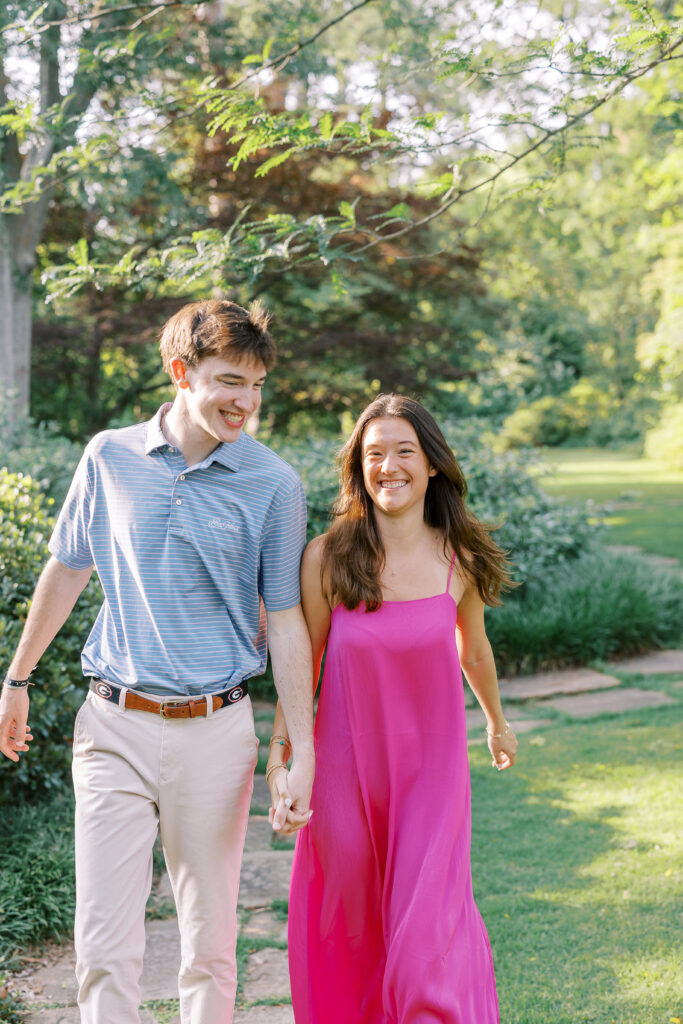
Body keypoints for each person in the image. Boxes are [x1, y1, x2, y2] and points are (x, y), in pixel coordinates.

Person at [0, 299, 315, 1024]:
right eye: (231, 380)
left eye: (258, 384)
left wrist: (298, 745)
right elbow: (66, 568)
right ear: (181, 371)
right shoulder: (108, 456)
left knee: (207, 946)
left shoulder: (274, 485)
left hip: (215, 728)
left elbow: (289, 621)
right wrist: (17, 679)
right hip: (112, 724)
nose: (247, 400)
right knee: (104, 943)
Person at [266, 393, 518, 1024]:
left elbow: (475, 649)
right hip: (347, 773)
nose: (389, 466)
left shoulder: (457, 555)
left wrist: (495, 720)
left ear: (431, 464)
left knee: (425, 931)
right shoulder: (328, 557)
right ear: (359, 467)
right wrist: (285, 761)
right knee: (349, 927)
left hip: (432, 777)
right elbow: (305, 663)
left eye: (405, 451)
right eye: (374, 453)